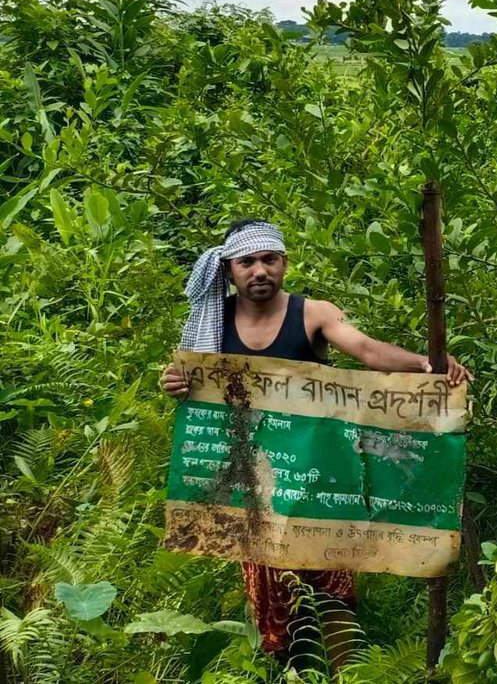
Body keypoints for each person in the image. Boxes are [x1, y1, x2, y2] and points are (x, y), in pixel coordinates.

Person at [161, 219, 472, 671]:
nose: (259, 271)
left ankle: (347, 672)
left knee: (331, 574)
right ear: (229, 269)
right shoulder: (213, 321)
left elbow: (365, 350)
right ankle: (287, 669)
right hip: (252, 477)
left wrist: (426, 364)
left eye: (269, 259)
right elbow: (191, 382)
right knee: (268, 588)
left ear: (284, 263)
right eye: (247, 262)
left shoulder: (313, 313)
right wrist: (172, 383)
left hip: (316, 471)